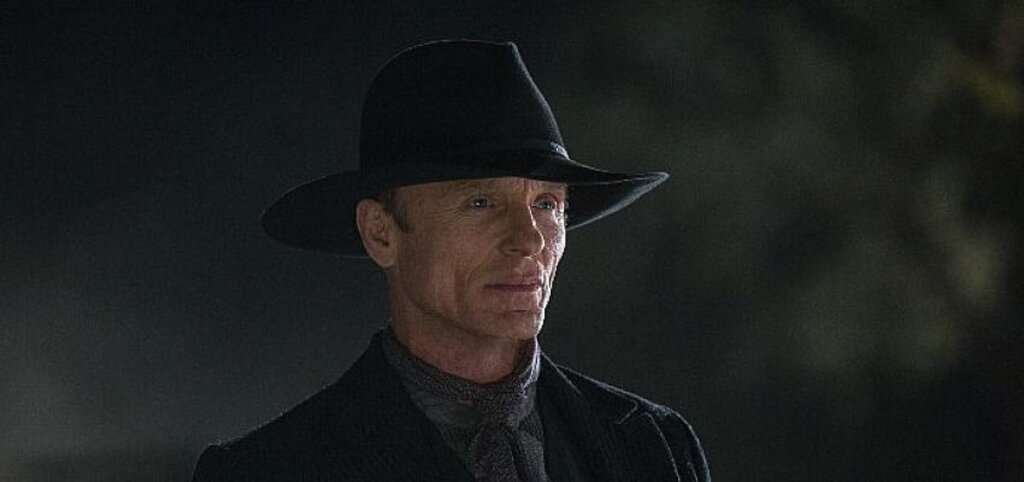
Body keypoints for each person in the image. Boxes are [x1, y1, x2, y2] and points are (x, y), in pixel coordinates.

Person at [192, 39, 710, 481]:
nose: (529, 239)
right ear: (381, 233)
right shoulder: (272, 469)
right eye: (481, 202)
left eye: (548, 205)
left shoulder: (654, 448)